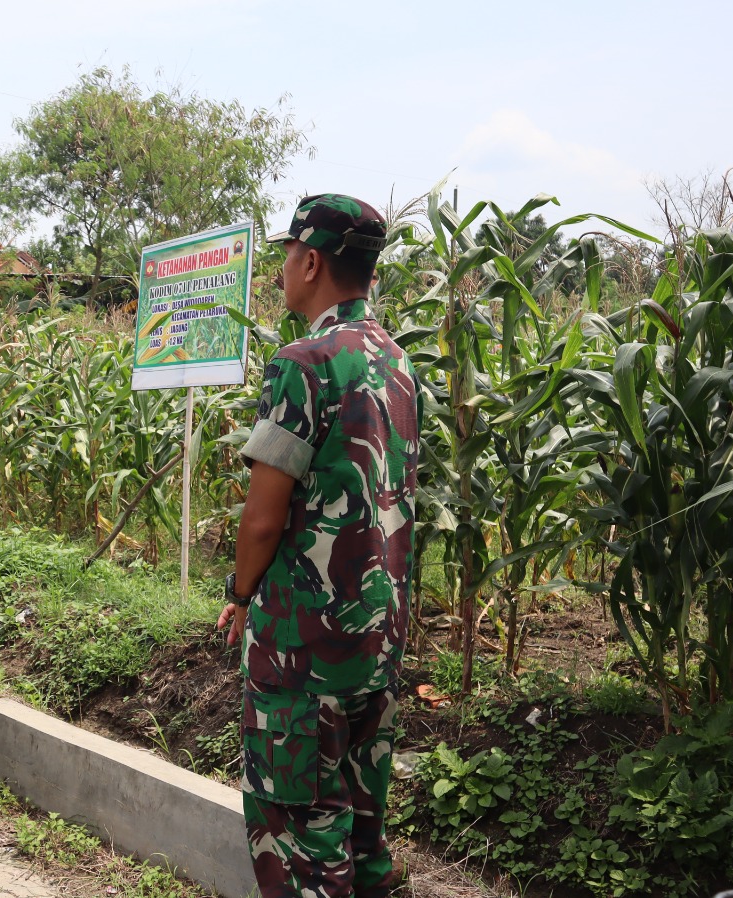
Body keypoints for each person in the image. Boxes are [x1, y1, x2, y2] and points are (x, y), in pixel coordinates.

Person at [216, 195, 419, 898]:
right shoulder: (397, 363)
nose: (279, 271)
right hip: (377, 639)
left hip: (305, 644)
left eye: (284, 256)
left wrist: (240, 596)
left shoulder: (304, 362)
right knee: (363, 826)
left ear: (310, 260)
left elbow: (265, 519)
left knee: (300, 832)